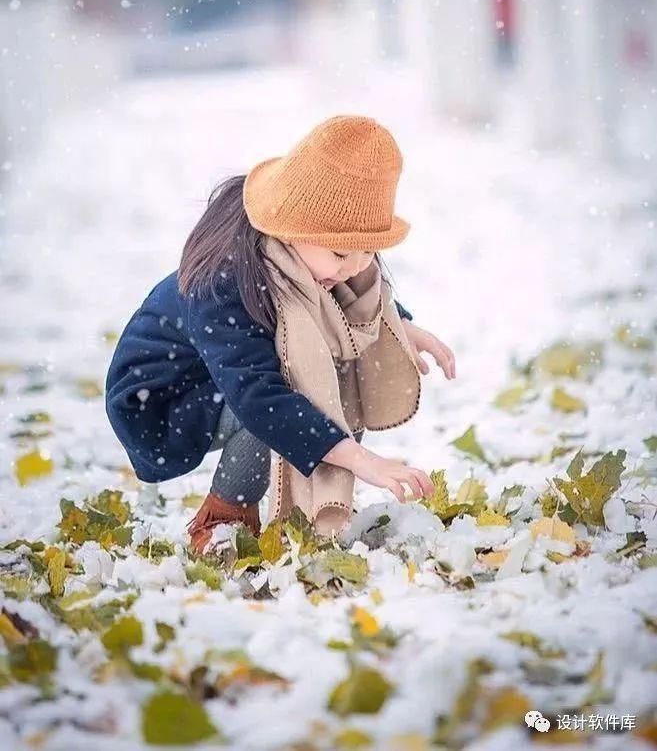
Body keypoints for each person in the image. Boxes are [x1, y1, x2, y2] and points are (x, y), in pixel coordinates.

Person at [105, 115, 456, 552]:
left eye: (370, 250)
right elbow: (258, 397)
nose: (355, 267)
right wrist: (359, 458)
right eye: (342, 251)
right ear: (293, 231)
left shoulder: (300, 258)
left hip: (225, 372)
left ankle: (308, 508)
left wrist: (399, 324)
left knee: (333, 370)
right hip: (164, 398)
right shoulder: (222, 283)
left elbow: (344, 294)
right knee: (287, 398)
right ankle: (224, 519)